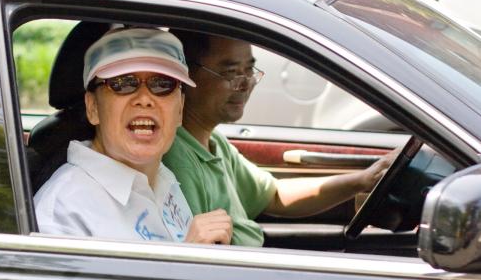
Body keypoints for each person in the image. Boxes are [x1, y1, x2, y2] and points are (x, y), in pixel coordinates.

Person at [163, 30, 395, 246]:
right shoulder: (177, 158)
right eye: (231, 73)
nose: (246, 83)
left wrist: (363, 180)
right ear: (185, 75)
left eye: (249, 70)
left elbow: (275, 194)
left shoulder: (214, 142)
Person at [35, 28, 232, 244]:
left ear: (180, 110)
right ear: (92, 107)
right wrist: (192, 257)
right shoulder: (62, 212)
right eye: (123, 83)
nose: (144, 99)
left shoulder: (161, 177)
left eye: (162, 84)